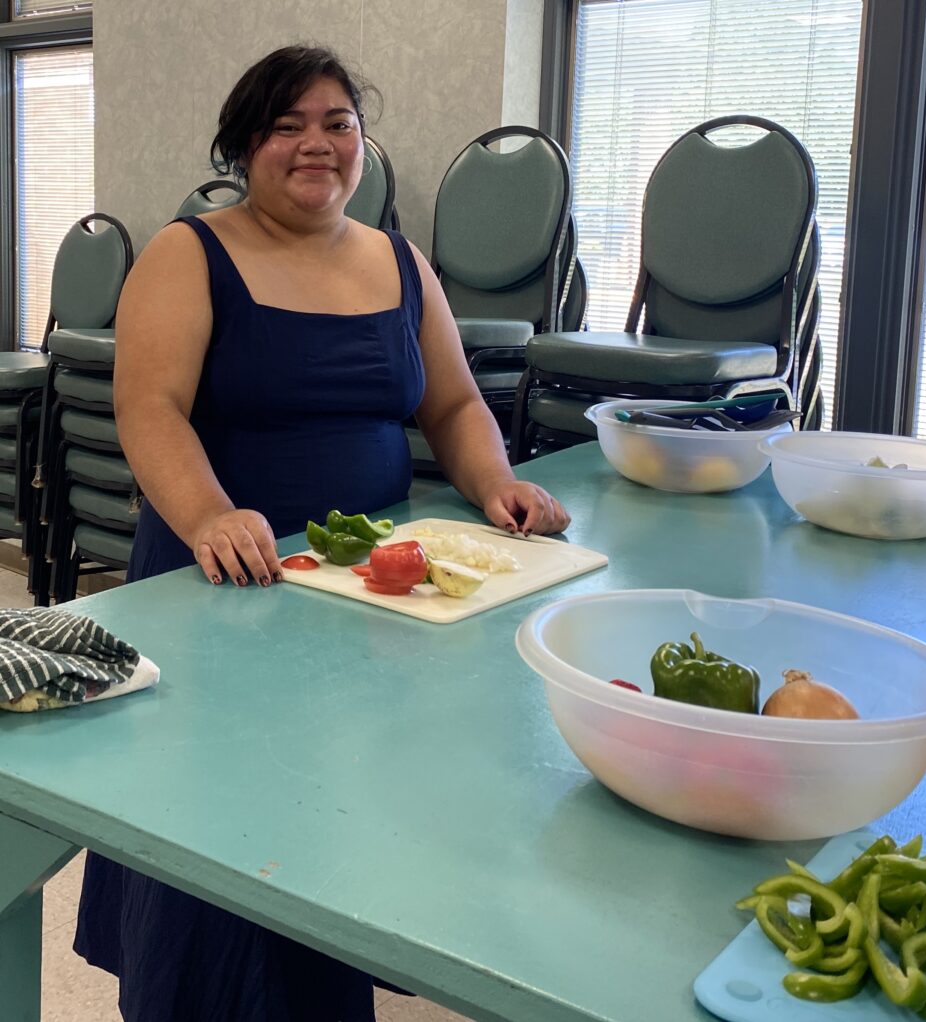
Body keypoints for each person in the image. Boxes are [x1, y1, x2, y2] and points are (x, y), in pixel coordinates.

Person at [73, 44, 570, 1022]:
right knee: (216, 832)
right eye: (286, 125)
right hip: (225, 588)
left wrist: (496, 481)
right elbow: (151, 408)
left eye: (336, 122)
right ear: (242, 148)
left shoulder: (399, 261)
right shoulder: (189, 252)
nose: (316, 143)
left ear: (362, 143)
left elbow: (456, 404)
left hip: (365, 601)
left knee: (332, 820)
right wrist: (213, 513)